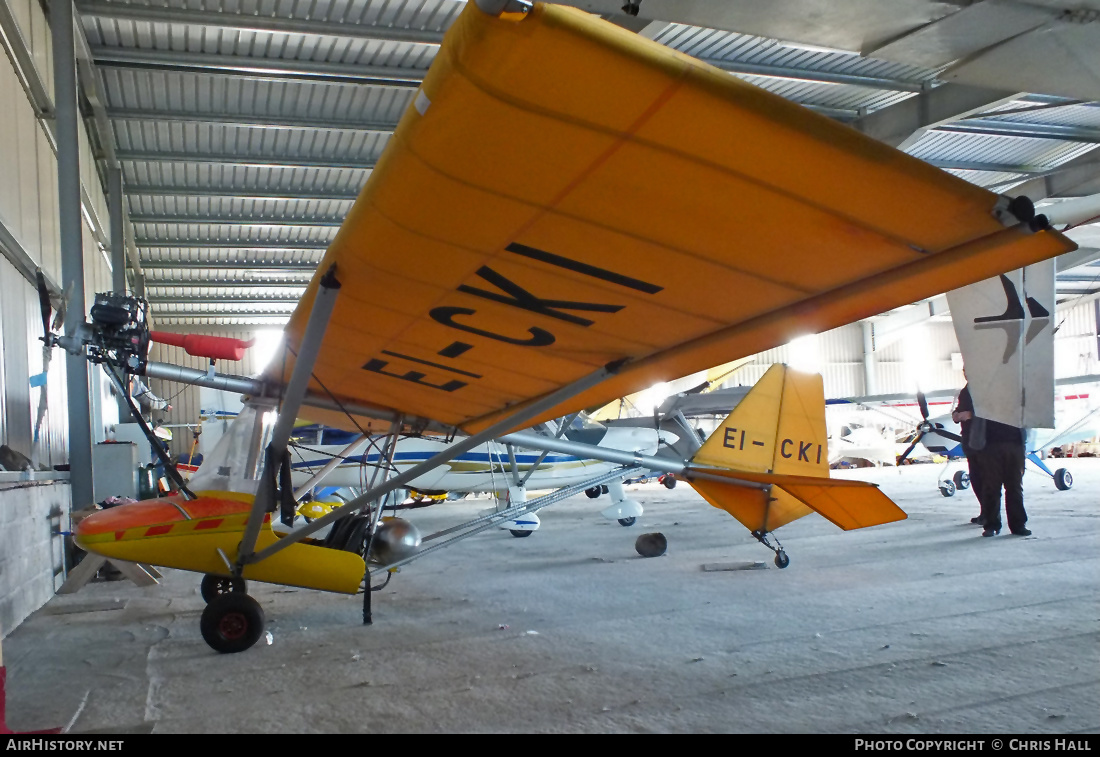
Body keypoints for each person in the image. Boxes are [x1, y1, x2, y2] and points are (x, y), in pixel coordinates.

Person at [952, 381, 1030, 537]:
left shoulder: (1015, 384)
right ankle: (991, 524)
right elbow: (959, 414)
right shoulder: (973, 389)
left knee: (1014, 485)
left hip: (1013, 442)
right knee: (991, 486)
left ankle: (1017, 525)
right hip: (989, 443)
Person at [951, 383, 986, 525]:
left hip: (983, 440)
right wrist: (956, 414)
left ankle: (990, 514)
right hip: (969, 440)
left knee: (987, 479)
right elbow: (959, 409)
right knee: (976, 478)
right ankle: (985, 512)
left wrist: (971, 414)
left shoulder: (983, 388)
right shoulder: (965, 391)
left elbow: (993, 410)